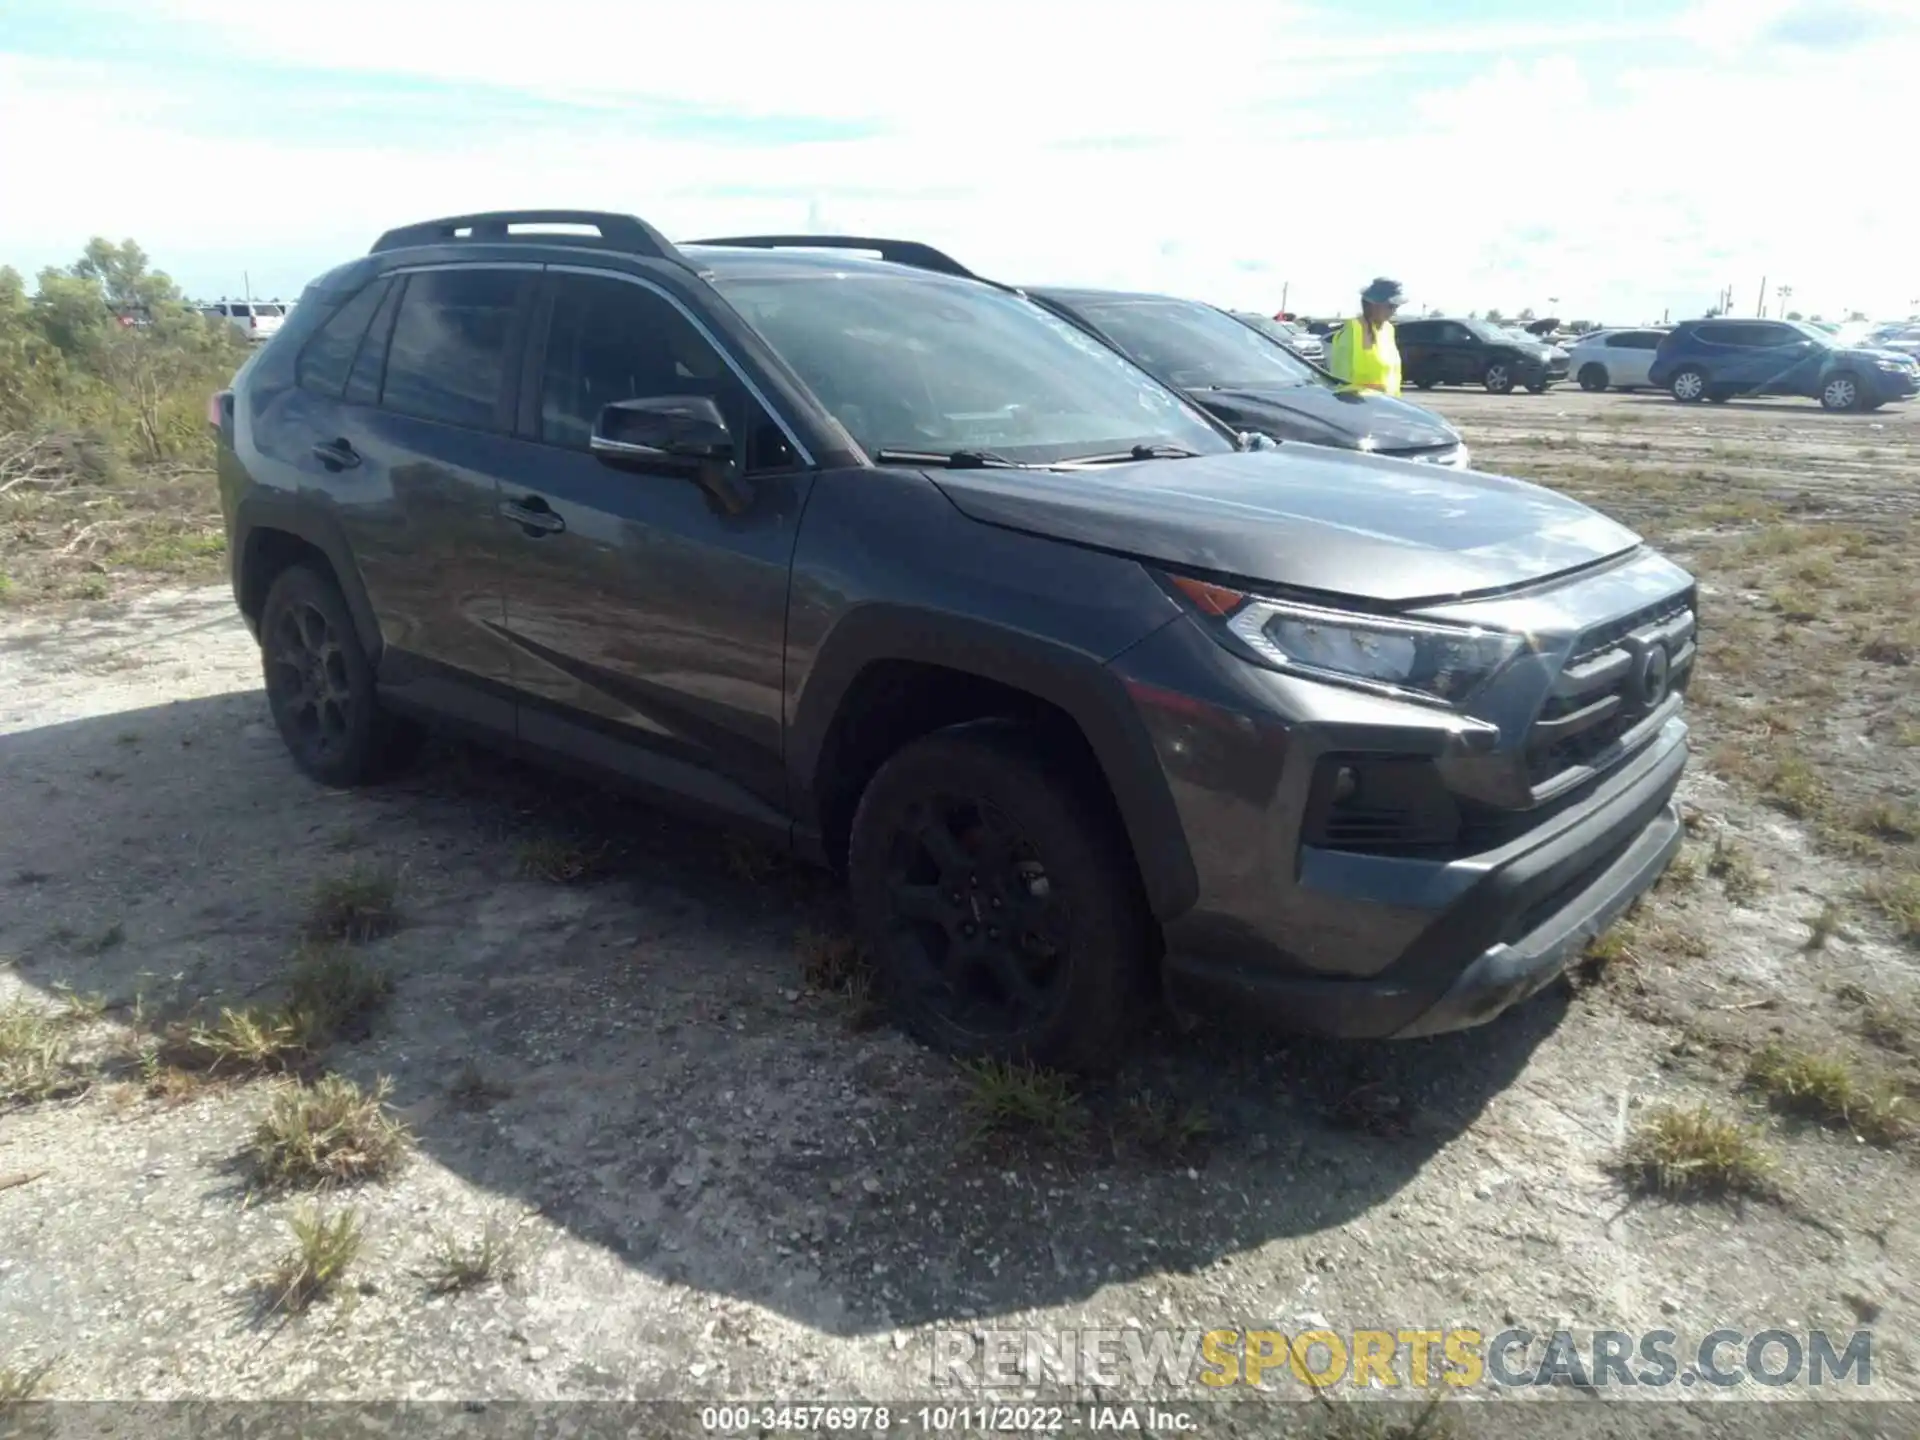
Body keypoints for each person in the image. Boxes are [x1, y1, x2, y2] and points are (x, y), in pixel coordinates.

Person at [1326, 278, 1405, 396]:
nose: (1394, 311)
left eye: (1396, 307)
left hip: (1388, 405)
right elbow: (1339, 378)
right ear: (1374, 305)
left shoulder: (1388, 330)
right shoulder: (1353, 330)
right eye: (1390, 306)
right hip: (1358, 406)